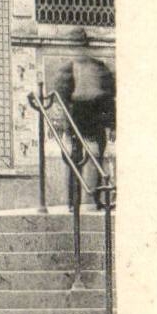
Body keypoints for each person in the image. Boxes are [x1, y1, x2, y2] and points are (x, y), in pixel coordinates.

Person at [53, 29, 115, 209]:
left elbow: (108, 95)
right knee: (76, 158)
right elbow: (61, 95)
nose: (78, 49)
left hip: (95, 115)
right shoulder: (68, 68)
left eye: (80, 44)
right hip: (77, 117)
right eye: (74, 45)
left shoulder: (98, 66)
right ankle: (74, 202)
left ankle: (95, 198)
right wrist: (66, 120)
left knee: (97, 156)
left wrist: (111, 124)